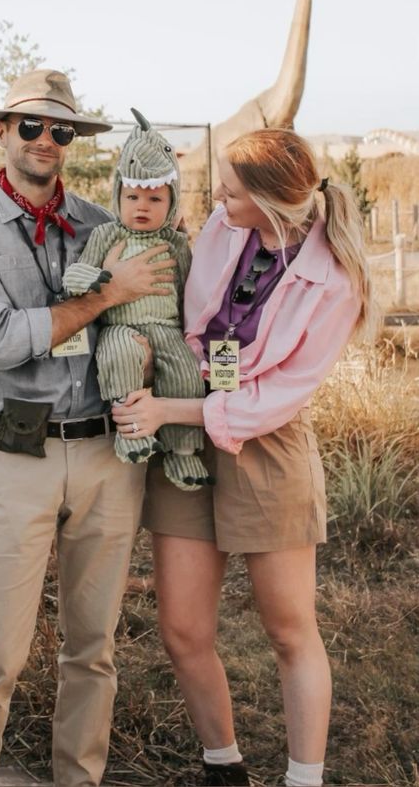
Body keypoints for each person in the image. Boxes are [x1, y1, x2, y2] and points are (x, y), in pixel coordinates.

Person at [0, 68, 175, 787]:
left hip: (106, 452)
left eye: (61, 129)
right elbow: (2, 341)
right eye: (32, 126)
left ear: (72, 141)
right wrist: (108, 295)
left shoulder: (104, 224)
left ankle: (80, 776)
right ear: (2, 132)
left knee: (92, 645)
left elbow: (156, 316)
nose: (46, 140)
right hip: (19, 454)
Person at [112, 128, 372, 787]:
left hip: (267, 444)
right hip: (185, 438)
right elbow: (186, 320)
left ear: (269, 198)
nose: (216, 192)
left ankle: (302, 778)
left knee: (288, 629)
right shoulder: (225, 228)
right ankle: (222, 767)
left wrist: (167, 410)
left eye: (229, 184)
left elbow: (270, 400)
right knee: (181, 628)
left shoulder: (333, 282)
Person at [62, 107, 209, 488]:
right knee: (119, 354)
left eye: (155, 200)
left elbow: (191, 290)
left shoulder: (177, 244)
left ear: (172, 205)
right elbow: (82, 272)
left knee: (184, 376)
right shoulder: (108, 236)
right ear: (119, 196)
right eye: (133, 197)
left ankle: (183, 453)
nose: (142, 207)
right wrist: (87, 277)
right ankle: (133, 434)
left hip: (167, 328)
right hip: (120, 324)